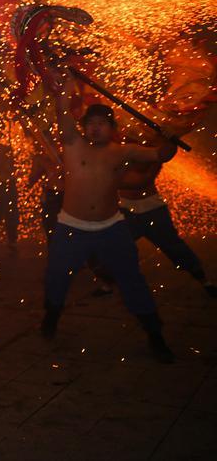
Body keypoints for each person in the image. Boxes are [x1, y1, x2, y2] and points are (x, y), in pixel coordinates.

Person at [43, 72, 178, 363]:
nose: (95, 129)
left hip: (111, 227)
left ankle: (155, 334)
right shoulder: (72, 144)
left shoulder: (123, 151)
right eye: (90, 124)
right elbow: (62, 109)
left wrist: (169, 144)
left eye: (102, 124)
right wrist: (65, 84)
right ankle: (51, 317)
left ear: (112, 128)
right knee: (57, 276)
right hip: (71, 226)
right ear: (83, 127)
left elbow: (159, 154)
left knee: (132, 279)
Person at [117, 160, 217, 297]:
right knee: (115, 246)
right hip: (126, 210)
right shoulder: (114, 151)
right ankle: (108, 283)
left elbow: (148, 172)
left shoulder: (146, 151)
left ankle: (204, 280)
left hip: (153, 210)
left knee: (174, 246)